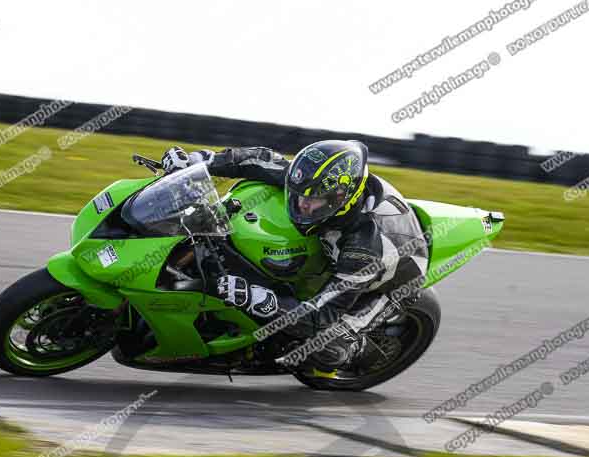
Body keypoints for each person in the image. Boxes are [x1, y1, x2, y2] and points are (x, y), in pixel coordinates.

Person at [160, 140, 429, 373]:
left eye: (313, 202)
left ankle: (356, 350)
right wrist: (198, 161)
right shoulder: (317, 183)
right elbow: (259, 159)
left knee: (324, 346)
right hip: (340, 246)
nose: (302, 204)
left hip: (393, 280)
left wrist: (258, 298)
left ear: (340, 200)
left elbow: (318, 317)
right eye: (299, 195)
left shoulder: (364, 250)